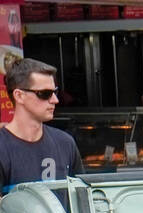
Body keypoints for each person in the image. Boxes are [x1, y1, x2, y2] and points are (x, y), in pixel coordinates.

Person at [0, 59, 82, 195]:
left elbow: (81, 200)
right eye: (45, 94)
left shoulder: (65, 143)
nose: (55, 100)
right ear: (19, 96)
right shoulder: (3, 147)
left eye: (55, 92)